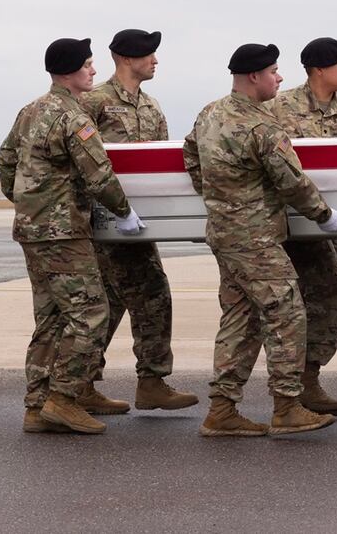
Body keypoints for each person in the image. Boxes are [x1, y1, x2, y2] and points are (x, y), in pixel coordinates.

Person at [182, 43, 337, 436]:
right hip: (255, 238)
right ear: (254, 76)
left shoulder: (210, 113)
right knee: (287, 312)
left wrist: (219, 196)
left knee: (241, 319)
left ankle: (222, 410)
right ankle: (287, 406)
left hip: (224, 232)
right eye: (274, 71)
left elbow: (190, 154)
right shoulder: (262, 126)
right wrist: (325, 216)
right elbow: (292, 182)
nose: (280, 77)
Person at [0, 37, 144, 434]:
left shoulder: (31, 111)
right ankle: (63, 399)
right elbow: (99, 174)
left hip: (32, 230)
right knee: (92, 313)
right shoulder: (74, 117)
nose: (94, 71)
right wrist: (124, 211)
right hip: (64, 233)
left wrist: (27, 201)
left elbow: (6, 160)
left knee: (51, 318)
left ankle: (36, 406)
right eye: (88, 65)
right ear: (70, 71)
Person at [80, 28, 198, 413]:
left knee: (127, 300)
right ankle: (127, 382)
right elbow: (79, 159)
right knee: (136, 297)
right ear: (127, 58)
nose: (155, 60)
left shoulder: (151, 106)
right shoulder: (93, 103)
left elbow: (161, 165)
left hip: (139, 224)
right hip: (103, 222)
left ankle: (120, 382)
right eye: (149, 53)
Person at [267, 36, 337, 416]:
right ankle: (285, 390)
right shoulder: (280, 108)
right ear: (318, 69)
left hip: (328, 226)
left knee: (328, 299)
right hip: (285, 224)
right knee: (281, 308)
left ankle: (307, 380)